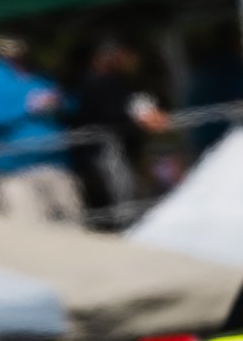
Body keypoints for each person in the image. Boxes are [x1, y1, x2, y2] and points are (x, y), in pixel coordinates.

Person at [0, 35, 83, 225]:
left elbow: (70, 104)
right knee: (33, 233)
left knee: (74, 228)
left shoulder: (39, 73)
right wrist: (28, 107)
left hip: (56, 164)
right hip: (16, 171)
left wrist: (59, 103)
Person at [67, 38, 173, 212]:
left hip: (121, 148)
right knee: (122, 196)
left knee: (131, 191)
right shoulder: (94, 83)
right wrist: (136, 113)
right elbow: (109, 112)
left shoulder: (115, 80)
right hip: (104, 149)